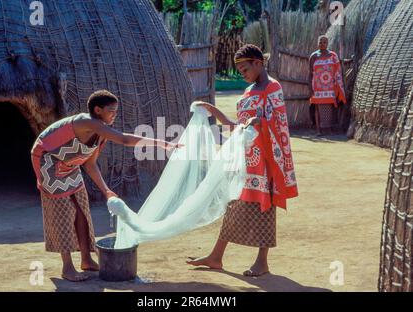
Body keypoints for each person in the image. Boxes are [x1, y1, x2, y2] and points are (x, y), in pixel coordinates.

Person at [31, 90, 181, 282]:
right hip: (48, 161)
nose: (114, 115)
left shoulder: (100, 131)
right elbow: (125, 139)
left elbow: (90, 164)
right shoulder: (88, 122)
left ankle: (87, 260)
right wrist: (161, 143)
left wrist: (106, 191)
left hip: (69, 163)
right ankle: (67, 267)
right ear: (97, 110)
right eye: (111, 111)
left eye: (116, 111)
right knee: (63, 212)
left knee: (81, 210)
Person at [187, 44, 298, 276]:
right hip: (244, 161)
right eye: (240, 71)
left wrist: (259, 123)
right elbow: (238, 127)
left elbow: (279, 125)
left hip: (265, 162)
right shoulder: (248, 91)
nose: (243, 74)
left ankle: (262, 262)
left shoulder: (272, 88)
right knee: (233, 205)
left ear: (258, 63)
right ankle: (216, 257)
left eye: (245, 69)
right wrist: (211, 110)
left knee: (264, 208)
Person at [309, 35, 346, 136]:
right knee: (317, 107)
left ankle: (328, 129)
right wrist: (310, 88)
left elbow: (337, 71)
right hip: (317, 87)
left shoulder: (333, 55)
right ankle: (318, 130)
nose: (322, 44)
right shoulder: (313, 56)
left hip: (329, 87)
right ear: (318, 43)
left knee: (330, 107)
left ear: (327, 43)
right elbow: (310, 73)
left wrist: (337, 85)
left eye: (324, 42)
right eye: (320, 42)